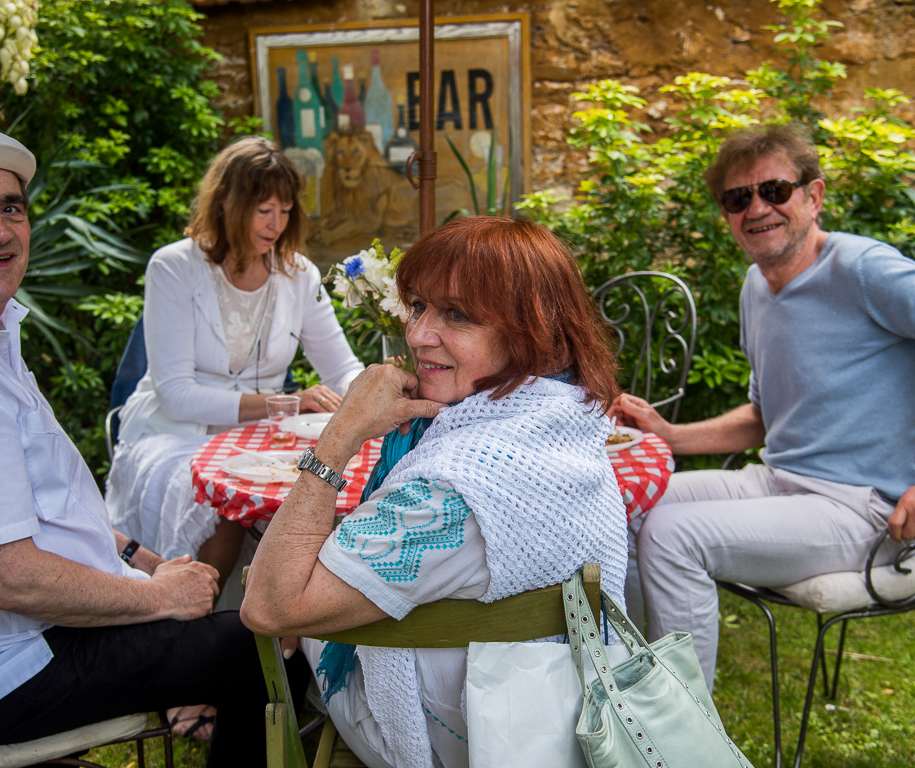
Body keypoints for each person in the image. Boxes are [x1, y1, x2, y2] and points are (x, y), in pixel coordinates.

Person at [0, 131, 281, 766]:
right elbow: (9, 579)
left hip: (13, 640)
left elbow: (41, 503)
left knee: (234, 626)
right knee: (263, 644)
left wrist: (137, 554)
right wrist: (159, 597)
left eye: (11, 208)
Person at [614, 123, 915, 691]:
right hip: (784, 483)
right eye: (739, 198)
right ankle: (639, 692)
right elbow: (766, 419)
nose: (758, 209)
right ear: (726, 214)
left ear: (813, 197)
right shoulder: (755, 285)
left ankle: (680, 738)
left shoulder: (863, 268)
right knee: (620, 502)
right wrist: (669, 434)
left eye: (775, 190)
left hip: (872, 510)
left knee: (673, 534)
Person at [241, 216, 629, 768]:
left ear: (531, 328)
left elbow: (269, 605)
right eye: (418, 306)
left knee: (270, 580)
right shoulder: (562, 419)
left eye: (458, 315)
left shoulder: (453, 493)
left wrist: (341, 433)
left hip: (448, 739)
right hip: (554, 714)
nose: (420, 333)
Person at [106, 136, 364, 594]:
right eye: (264, 210)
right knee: (224, 511)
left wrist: (376, 391)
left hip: (262, 436)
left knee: (324, 492)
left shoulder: (298, 273)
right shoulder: (174, 268)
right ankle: (194, 618)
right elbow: (177, 396)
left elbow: (341, 366)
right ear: (227, 202)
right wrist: (286, 402)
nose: (277, 225)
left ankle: (294, 629)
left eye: (285, 211)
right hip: (173, 433)